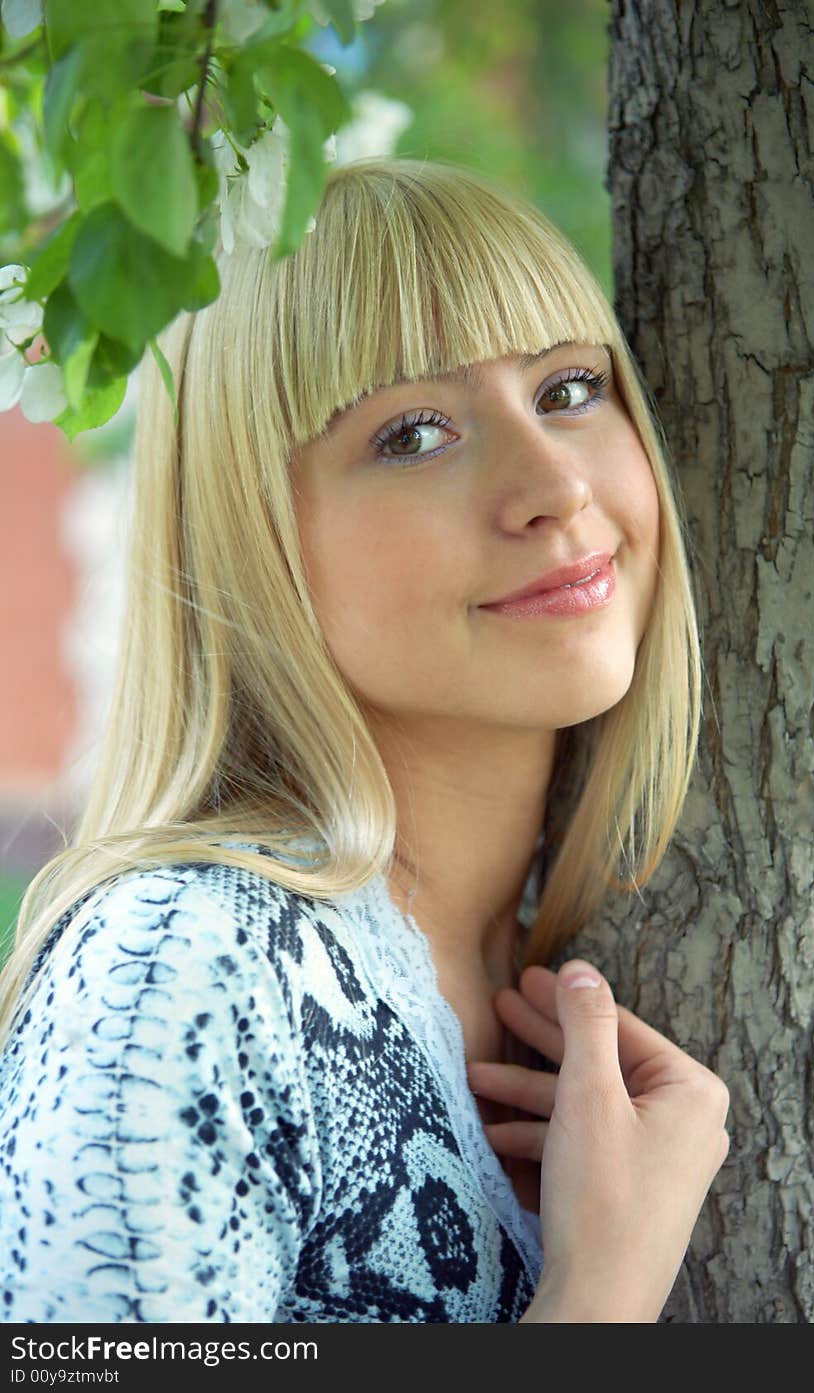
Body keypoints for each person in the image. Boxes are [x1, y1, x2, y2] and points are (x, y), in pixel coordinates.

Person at [0, 157, 729, 1323]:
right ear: (254, 537)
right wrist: (600, 1293)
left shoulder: (615, 936)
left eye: (567, 390)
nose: (552, 487)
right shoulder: (183, 966)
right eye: (415, 432)